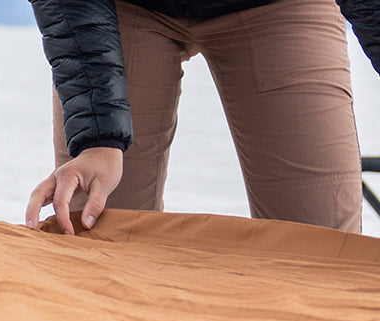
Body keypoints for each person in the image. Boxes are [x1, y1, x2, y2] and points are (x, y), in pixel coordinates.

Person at [23, 0, 380, 235]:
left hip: (277, 5)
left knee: (323, 246)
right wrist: (99, 138)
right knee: (96, 233)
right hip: (122, 9)